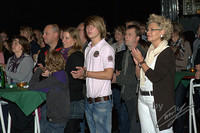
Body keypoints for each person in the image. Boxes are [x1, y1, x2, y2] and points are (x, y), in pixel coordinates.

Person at [131, 14, 175, 133]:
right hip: (143, 98)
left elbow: (156, 77)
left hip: (158, 100)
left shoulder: (167, 52)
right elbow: (138, 77)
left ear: (162, 32)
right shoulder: (150, 51)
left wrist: (141, 61)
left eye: (152, 29)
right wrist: (138, 64)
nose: (147, 32)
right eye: (147, 29)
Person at [71, 15, 115, 133]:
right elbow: (88, 74)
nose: (89, 29)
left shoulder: (106, 48)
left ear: (100, 28)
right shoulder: (87, 49)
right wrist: (80, 74)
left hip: (102, 102)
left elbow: (108, 75)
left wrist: (86, 73)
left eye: (93, 26)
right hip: (89, 101)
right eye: (87, 27)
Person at [29, 50, 70, 133]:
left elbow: (32, 87)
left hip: (56, 118)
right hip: (61, 116)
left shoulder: (54, 80)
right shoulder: (62, 74)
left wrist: (38, 71)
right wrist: (50, 74)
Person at [114, 25, 145, 133]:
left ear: (137, 38)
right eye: (126, 34)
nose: (126, 37)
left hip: (135, 95)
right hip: (127, 95)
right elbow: (127, 72)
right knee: (126, 125)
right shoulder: (128, 52)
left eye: (130, 35)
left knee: (135, 128)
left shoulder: (139, 53)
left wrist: (116, 79)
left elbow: (137, 77)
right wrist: (119, 75)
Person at [5, 36, 34, 133]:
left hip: (24, 94)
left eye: (16, 43)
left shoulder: (27, 59)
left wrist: (5, 71)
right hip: (13, 93)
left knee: (23, 122)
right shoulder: (10, 60)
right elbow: (8, 78)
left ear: (22, 46)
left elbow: (20, 77)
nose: (13, 45)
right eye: (13, 43)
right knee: (15, 121)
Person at [60, 27, 85, 133]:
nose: (63, 40)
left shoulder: (76, 56)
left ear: (75, 40)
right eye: (63, 38)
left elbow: (75, 81)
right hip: (66, 99)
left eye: (67, 38)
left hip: (73, 100)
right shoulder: (64, 55)